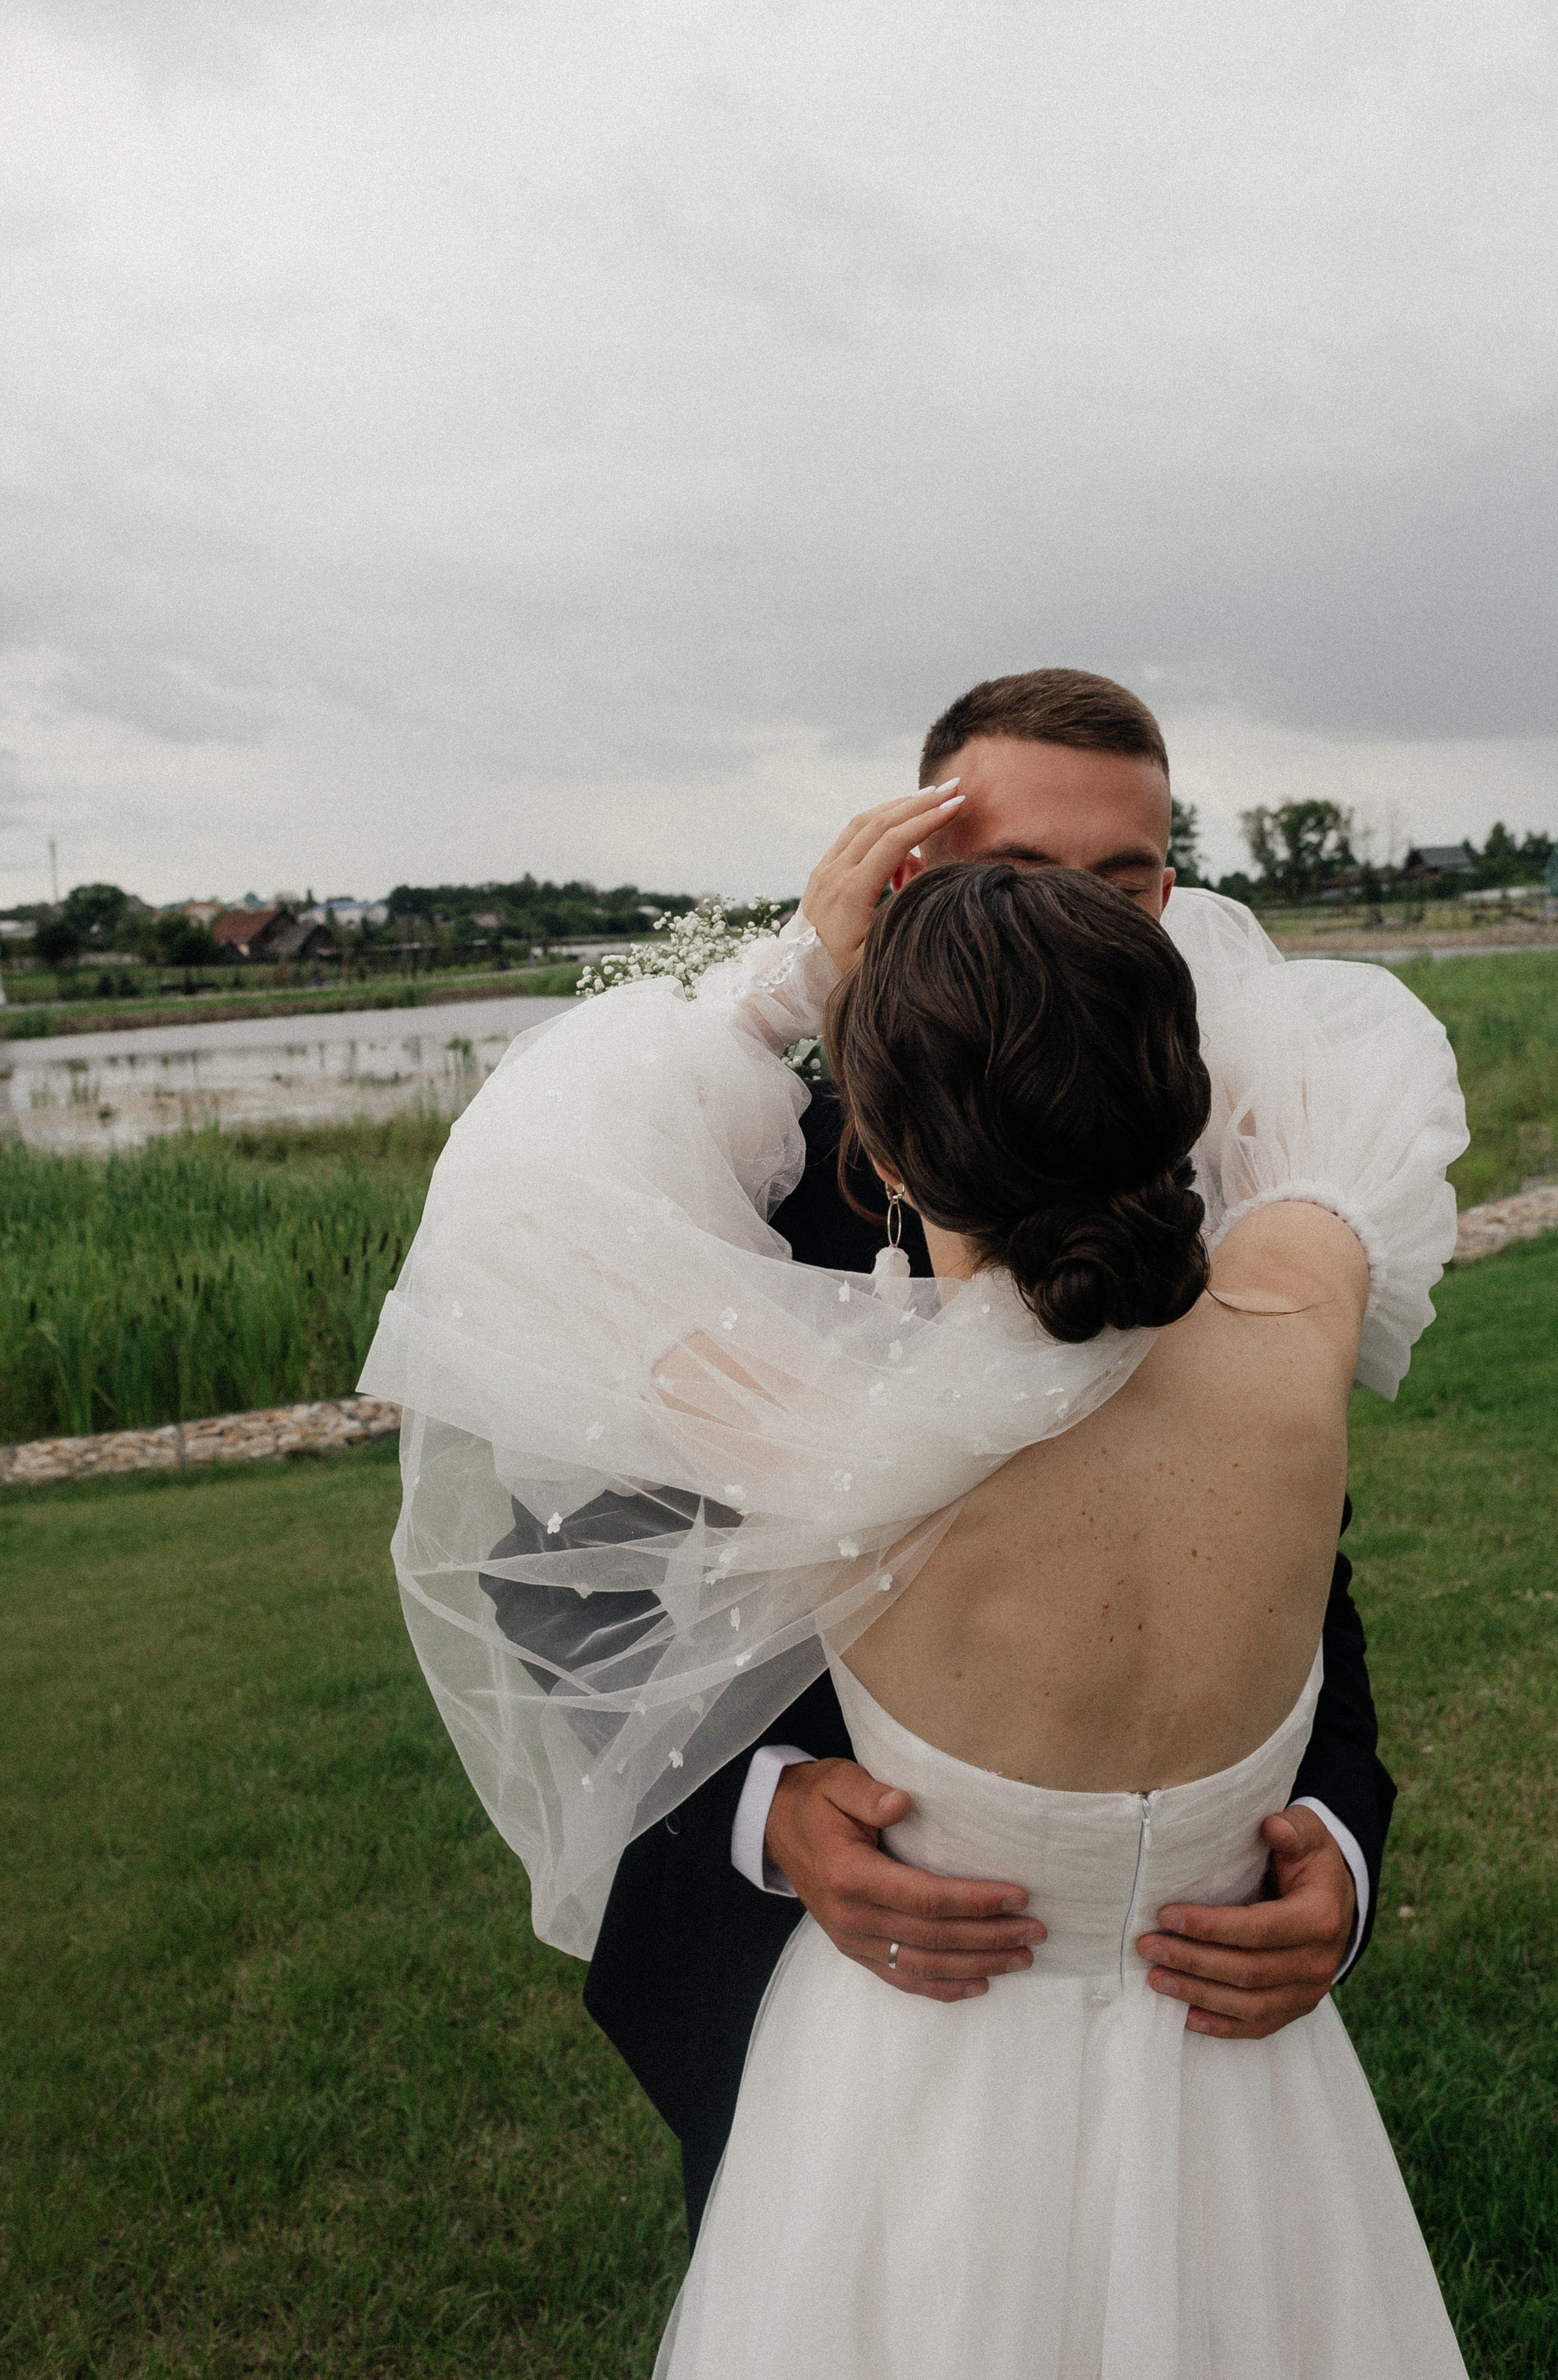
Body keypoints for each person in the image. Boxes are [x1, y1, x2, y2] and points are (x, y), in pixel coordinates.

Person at [360, 750, 1467, 2370]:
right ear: (1185, 1089)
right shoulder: (1299, 1320)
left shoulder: (830, 1437)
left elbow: (529, 1207)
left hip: (905, 2082)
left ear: (877, 1140)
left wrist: (776, 987)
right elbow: (1355, 1069)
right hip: (1240, 2082)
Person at [586, 673, 1396, 2239]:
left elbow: (1303, 1560)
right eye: (1018, 880)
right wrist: (757, 1807)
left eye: (1129, 881)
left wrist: (1342, 1846)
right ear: (904, 879)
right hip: (829, 2026)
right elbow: (570, 1569)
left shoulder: (1233, 1145)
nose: (1083, 926)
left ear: (1176, 885)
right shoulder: (740, 1183)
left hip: (1192, 1990)